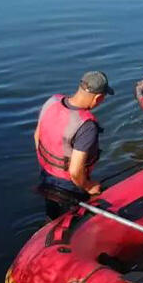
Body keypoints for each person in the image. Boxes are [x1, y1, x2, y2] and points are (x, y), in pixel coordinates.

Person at [34, 71, 114, 218]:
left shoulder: (52, 101)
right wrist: (89, 187)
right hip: (69, 187)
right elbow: (75, 172)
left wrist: (48, 168)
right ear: (98, 98)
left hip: (46, 176)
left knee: (53, 216)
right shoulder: (87, 126)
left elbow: (37, 136)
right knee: (76, 221)